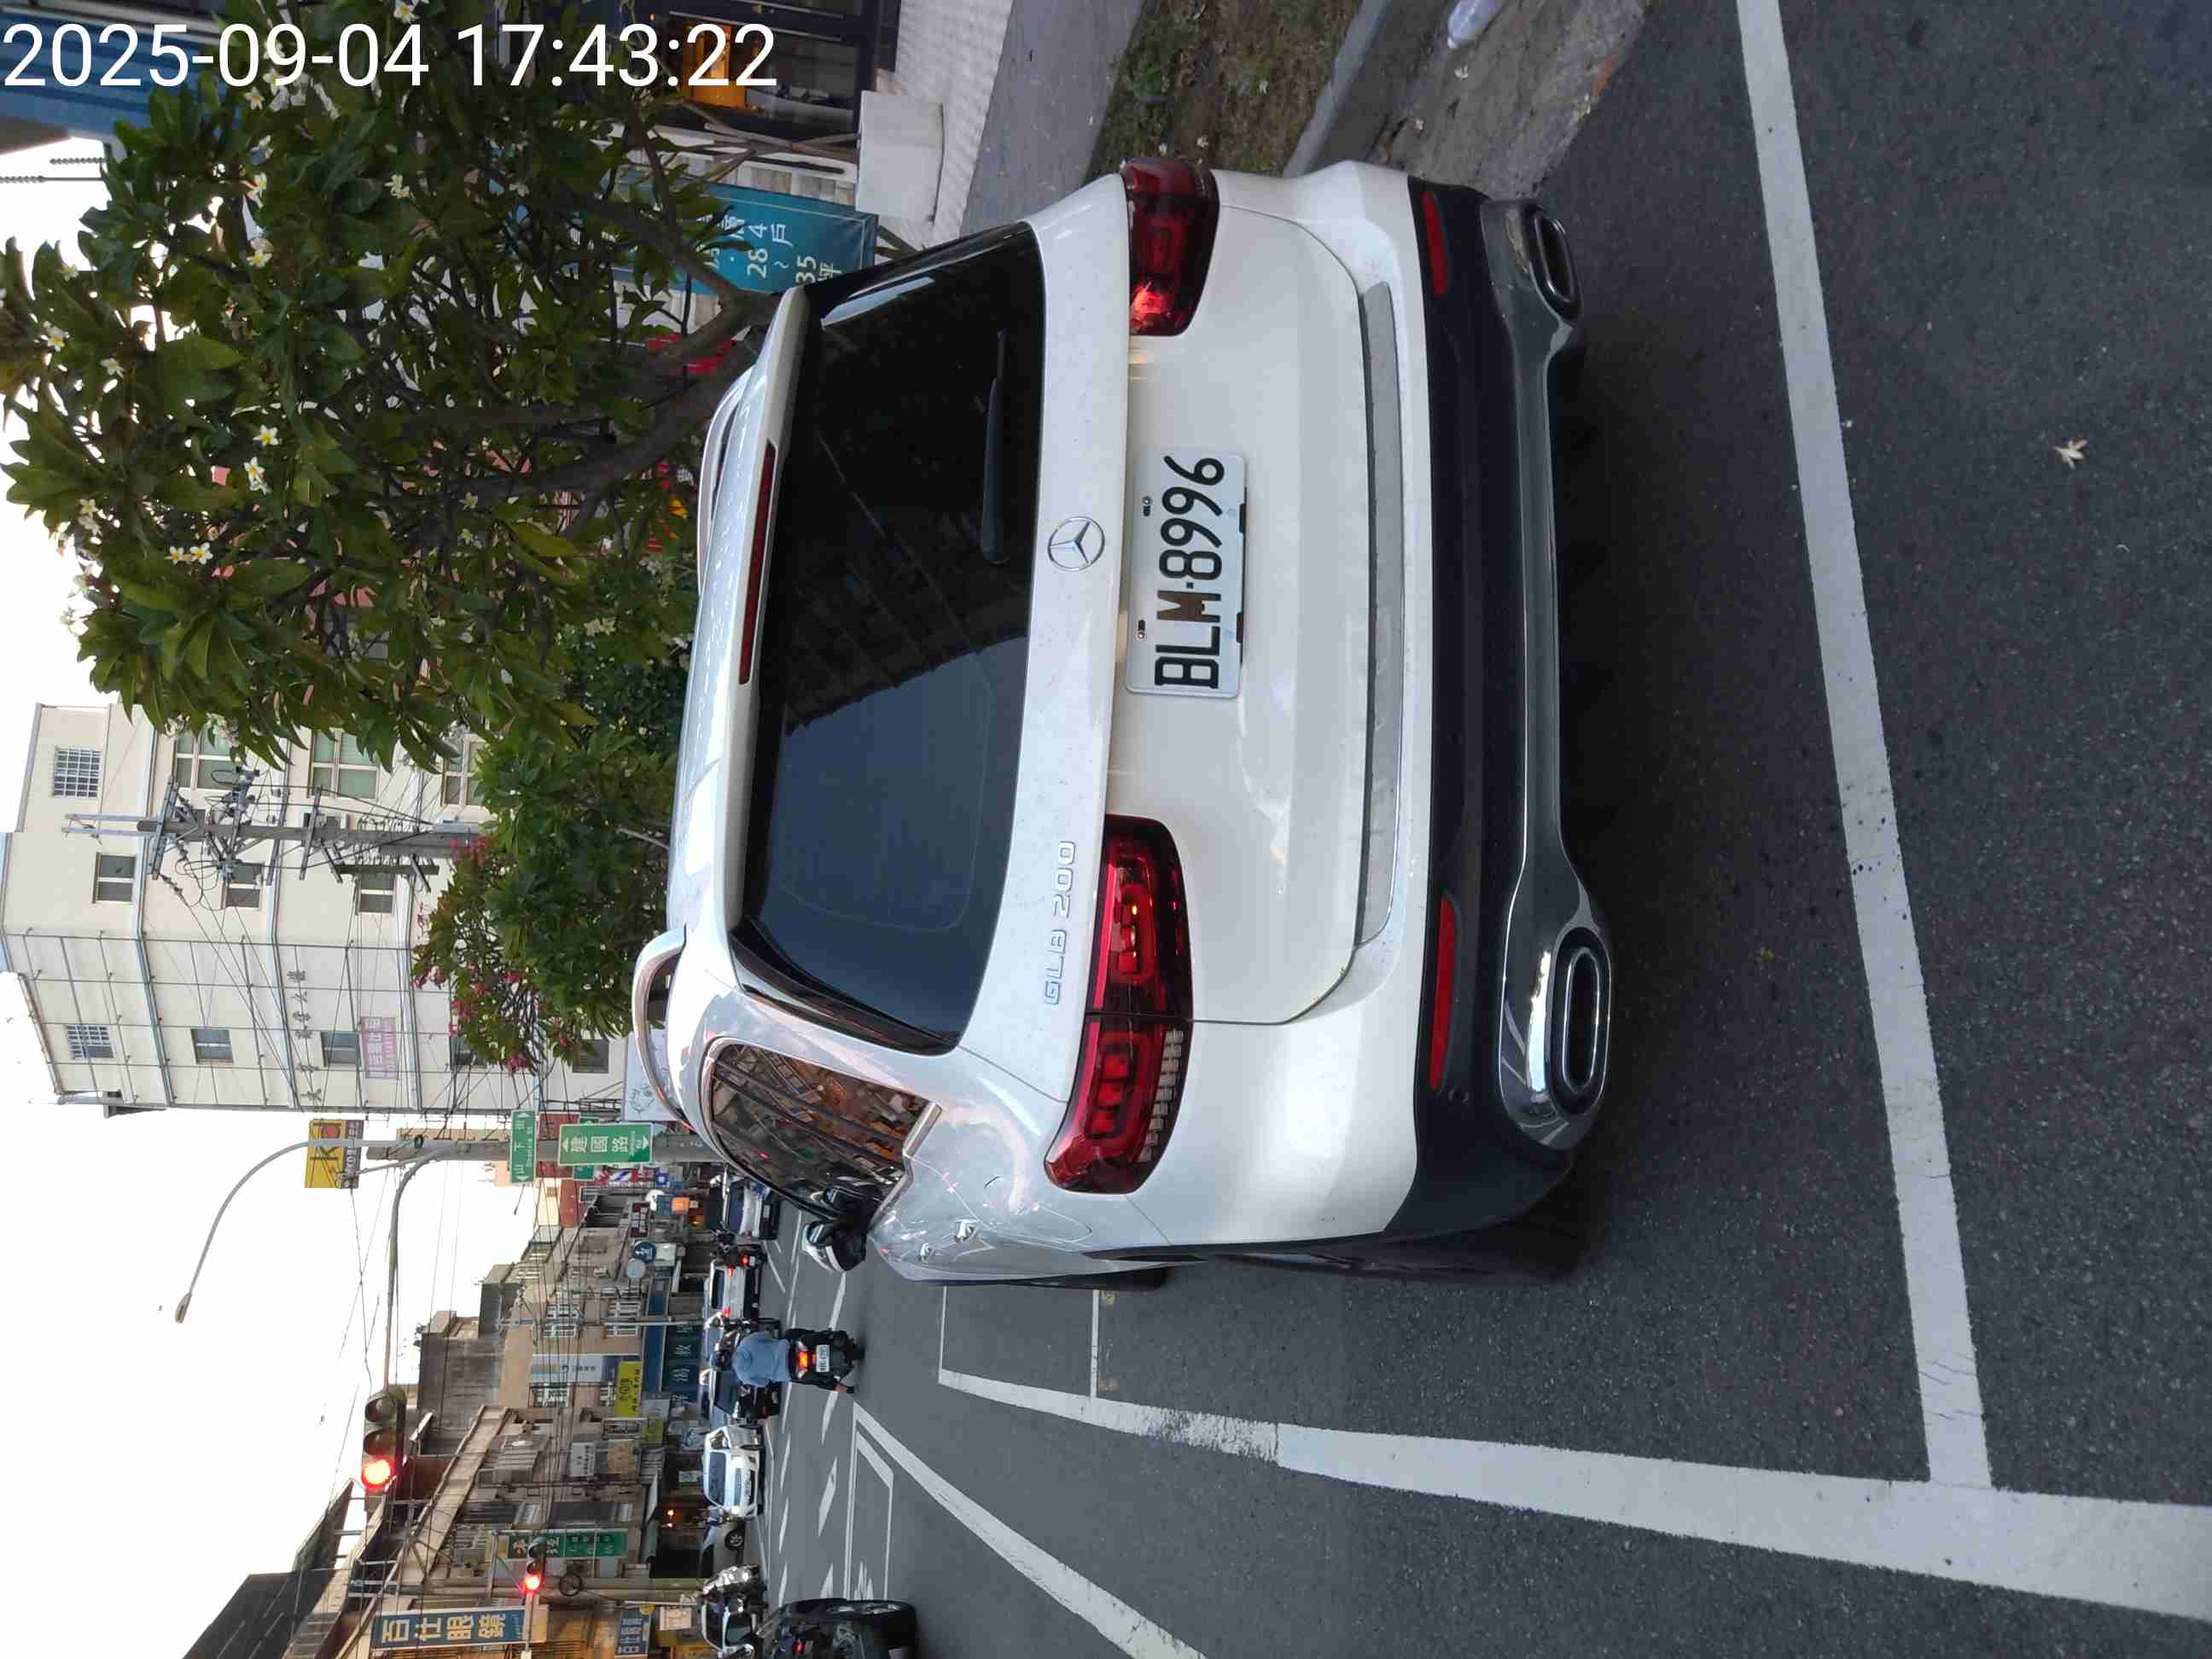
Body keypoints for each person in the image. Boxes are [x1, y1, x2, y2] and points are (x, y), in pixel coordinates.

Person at [726, 1326, 860, 1394]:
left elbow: (764, 1383)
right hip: (791, 1350)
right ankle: (829, 1335)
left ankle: (846, 1389)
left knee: (817, 1381)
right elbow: (767, 1335)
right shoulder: (746, 1343)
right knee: (793, 1333)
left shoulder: (743, 1376)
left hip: (789, 1372)